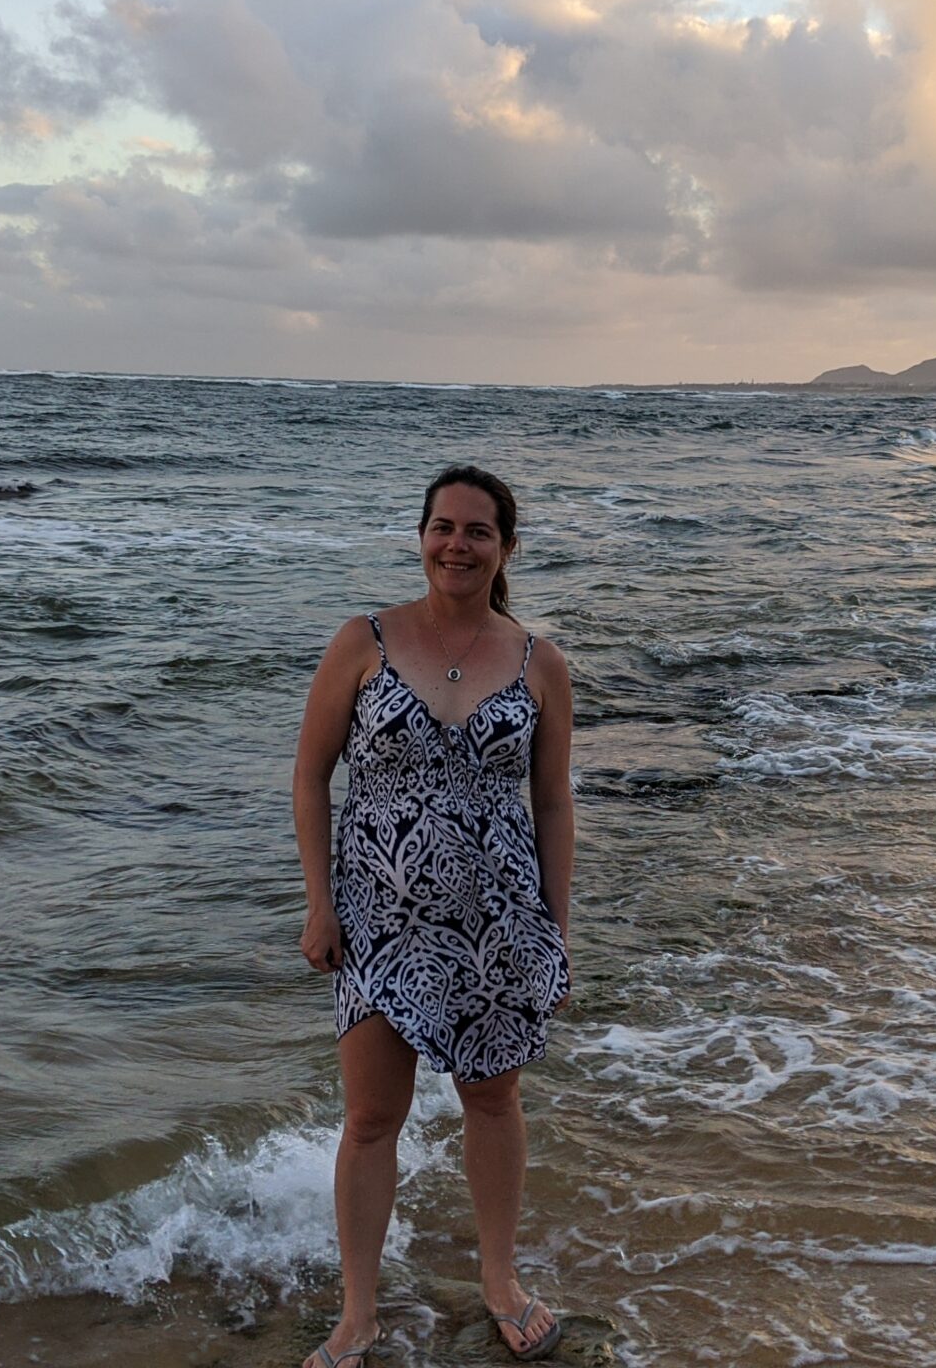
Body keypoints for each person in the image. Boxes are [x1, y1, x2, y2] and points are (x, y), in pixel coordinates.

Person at [292, 465, 576, 1366]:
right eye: (442, 527)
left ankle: (500, 1281)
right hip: (378, 920)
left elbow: (555, 805)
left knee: (493, 1100)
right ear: (420, 536)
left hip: (499, 924)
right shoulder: (362, 641)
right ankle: (358, 1311)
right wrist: (317, 902)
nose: (457, 544)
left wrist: (555, 931)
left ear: (506, 548)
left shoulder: (539, 662)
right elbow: (309, 776)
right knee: (373, 1116)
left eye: (477, 531)